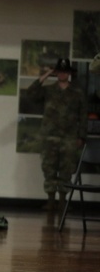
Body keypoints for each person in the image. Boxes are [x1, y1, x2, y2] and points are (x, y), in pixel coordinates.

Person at [25, 58, 87, 212]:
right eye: (59, 71)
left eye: (65, 71)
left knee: (66, 170)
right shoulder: (48, 90)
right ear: (56, 72)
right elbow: (31, 93)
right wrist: (46, 74)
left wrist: (81, 136)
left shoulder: (77, 93)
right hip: (50, 137)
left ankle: (63, 202)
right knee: (49, 169)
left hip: (69, 138)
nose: (62, 74)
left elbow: (83, 116)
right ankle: (51, 202)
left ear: (69, 74)